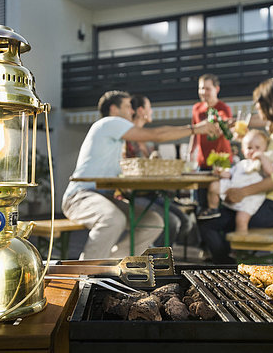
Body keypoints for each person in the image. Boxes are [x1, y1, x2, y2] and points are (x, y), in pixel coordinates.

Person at [62, 90, 220, 259]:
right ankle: (85, 273)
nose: (132, 111)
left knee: (154, 222)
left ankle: (113, 264)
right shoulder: (109, 122)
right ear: (114, 109)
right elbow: (156, 135)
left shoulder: (114, 138)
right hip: (79, 197)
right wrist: (195, 129)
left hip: (104, 197)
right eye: (128, 106)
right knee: (113, 220)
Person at [198, 78, 273, 264]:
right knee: (212, 218)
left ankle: (227, 267)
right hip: (270, 201)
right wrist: (244, 141)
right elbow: (258, 162)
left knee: (210, 222)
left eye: (258, 104)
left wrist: (242, 192)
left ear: (269, 104)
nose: (257, 109)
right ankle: (228, 264)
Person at [124, 94, 196, 247]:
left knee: (185, 222)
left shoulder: (148, 141)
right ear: (141, 110)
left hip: (152, 192)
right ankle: (154, 258)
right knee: (172, 223)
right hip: (133, 194)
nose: (152, 112)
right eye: (150, 108)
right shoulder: (126, 139)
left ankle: (155, 252)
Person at [198, 129, 273, 222]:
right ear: (243, 150)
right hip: (232, 189)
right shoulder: (242, 164)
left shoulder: (263, 163)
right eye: (249, 148)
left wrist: (262, 157)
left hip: (250, 197)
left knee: (241, 219)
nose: (253, 151)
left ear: (265, 149)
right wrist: (221, 173)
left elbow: (270, 173)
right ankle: (213, 209)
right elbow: (230, 174)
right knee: (214, 186)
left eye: (257, 148)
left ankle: (241, 234)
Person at [189, 73, 233, 208]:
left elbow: (225, 122)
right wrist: (190, 153)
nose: (203, 92)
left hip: (221, 162)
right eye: (201, 88)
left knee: (218, 201)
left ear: (216, 89)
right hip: (203, 162)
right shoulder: (196, 108)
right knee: (199, 200)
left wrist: (219, 123)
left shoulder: (223, 108)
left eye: (207, 89)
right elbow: (194, 132)